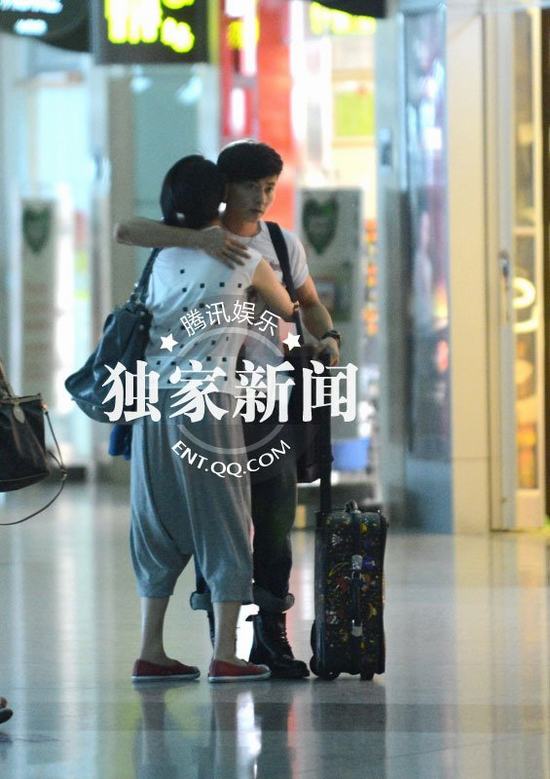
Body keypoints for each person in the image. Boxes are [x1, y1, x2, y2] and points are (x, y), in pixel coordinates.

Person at [116, 141, 341, 679]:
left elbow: (307, 306)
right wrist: (209, 246)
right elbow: (289, 305)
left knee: (252, 522)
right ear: (222, 191)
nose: (262, 198)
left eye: (270, 188)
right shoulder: (224, 252)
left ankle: (249, 639)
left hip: (209, 399)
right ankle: (224, 648)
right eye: (251, 187)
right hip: (213, 403)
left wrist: (327, 334)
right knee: (225, 521)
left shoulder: (268, 244)